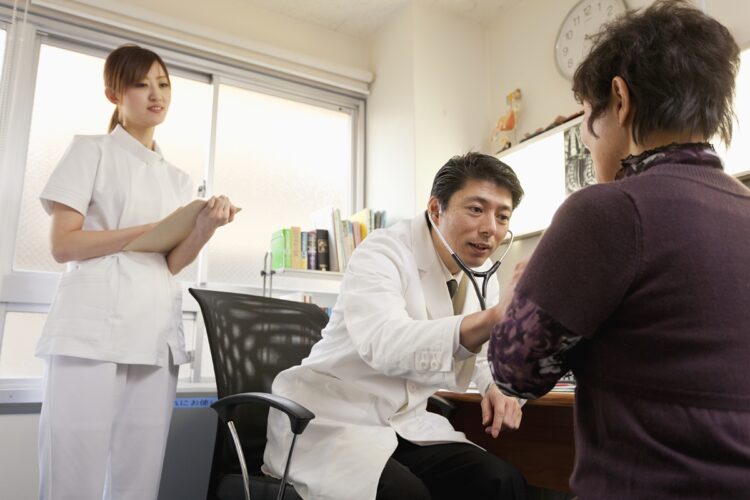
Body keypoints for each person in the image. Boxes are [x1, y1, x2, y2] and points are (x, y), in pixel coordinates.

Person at [486, 2, 750, 499]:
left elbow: (514, 371)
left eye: (587, 118)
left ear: (620, 101)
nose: (587, 140)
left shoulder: (605, 209)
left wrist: (521, 292)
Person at [36, 44, 238, 500]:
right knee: (73, 473)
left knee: (138, 479)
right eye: (141, 84)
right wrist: (149, 230)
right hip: (89, 331)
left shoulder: (180, 181)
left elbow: (171, 262)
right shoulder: (90, 152)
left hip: (152, 331)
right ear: (114, 93)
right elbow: (62, 244)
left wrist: (202, 226)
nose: (155, 94)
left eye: (163, 84)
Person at [264, 152, 527, 500]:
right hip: (332, 421)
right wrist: (492, 318)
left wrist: (495, 386)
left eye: (502, 216)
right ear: (436, 209)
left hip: (404, 425)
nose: (490, 228)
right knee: (405, 495)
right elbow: (385, 343)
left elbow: (479, 353)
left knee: (498, 480)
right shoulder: (382, 251)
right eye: (476, 209)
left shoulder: (480, 273)